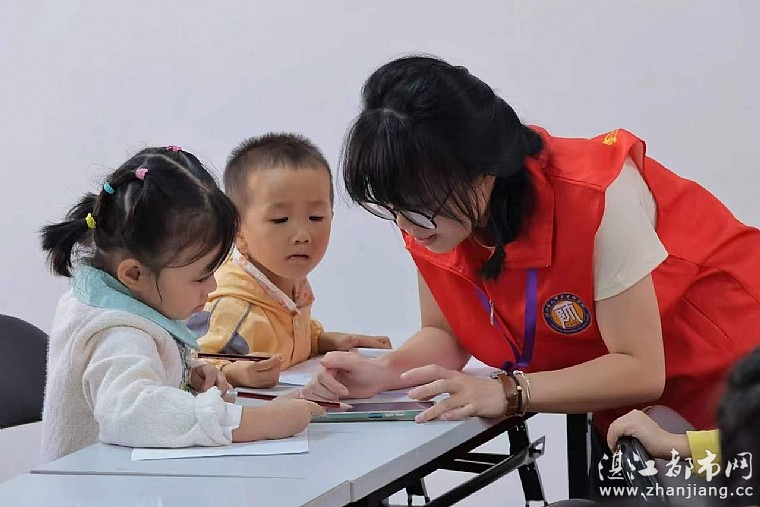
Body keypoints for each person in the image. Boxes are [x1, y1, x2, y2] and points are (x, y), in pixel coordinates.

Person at [302, 55, 760, 436]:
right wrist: (385, 372)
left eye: (417, 208)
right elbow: (447, 333)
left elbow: (640, 368)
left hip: (732, 376)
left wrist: (508, 392)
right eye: (391, 207)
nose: (406, 226)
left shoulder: (596, 196)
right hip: (639, 415)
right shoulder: (434, 214)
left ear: (482, 171)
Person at [39, 146, 322, 461]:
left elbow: (138, 371)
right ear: (134, 274)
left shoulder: (129, 299)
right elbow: (132, 413)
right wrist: (257, 422)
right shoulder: (116, 331)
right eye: (201, 277)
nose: (212, 287)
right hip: (95, 485)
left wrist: (186, 372)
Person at [189, 133, 390, 388]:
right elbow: (188, 364)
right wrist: (235, 373)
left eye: (316, 217)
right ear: (237, 228)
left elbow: (285, 335)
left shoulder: (289, 284)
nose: (302, 235)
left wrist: (324, 341)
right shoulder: (230, 307)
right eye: (280, 220)